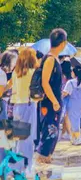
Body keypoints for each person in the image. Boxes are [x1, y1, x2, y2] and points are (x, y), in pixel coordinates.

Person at [36, 28, 67, 164]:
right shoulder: (49, 59)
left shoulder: (54, 59)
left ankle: (46, 158)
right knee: (49, 131)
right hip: (49, 103)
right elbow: (45, 82)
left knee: (53, 132)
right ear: (63, 43)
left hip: (53, 102)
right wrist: (54, 101)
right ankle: (42, 159)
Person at [9, 48, 37, 177]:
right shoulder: (33, 72)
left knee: (19, 138)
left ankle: (16, 166)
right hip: (29, 104)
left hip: (17, 106)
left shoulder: (16, 72)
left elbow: (11, 87)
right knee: (29, 139)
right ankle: (27, 166)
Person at [62, 65, 81, 146]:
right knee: (76, 120)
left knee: (73, 122)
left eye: (72, 71)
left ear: (75, 73)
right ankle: (76, 138)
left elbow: (65, 93)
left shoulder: (70, 82)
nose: (71, 72)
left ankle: (76, 139)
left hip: (72, 104)